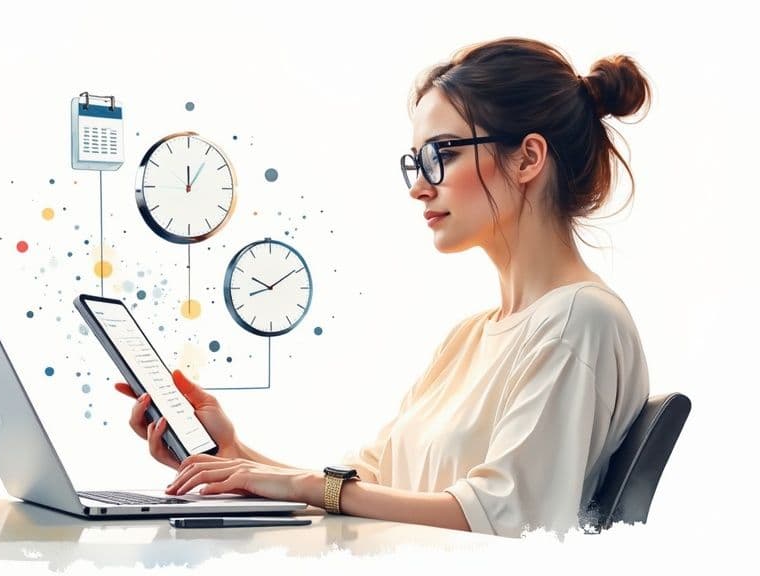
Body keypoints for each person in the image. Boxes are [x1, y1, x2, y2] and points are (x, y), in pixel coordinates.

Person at [114, 37, 651, 539]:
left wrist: (301, 485)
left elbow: (505, 519)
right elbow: (370, 483)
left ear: (529, 157)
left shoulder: (581, 321)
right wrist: (232, 453)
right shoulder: (468, 338)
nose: (420, 186)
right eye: (416, 163)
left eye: (442, 153)